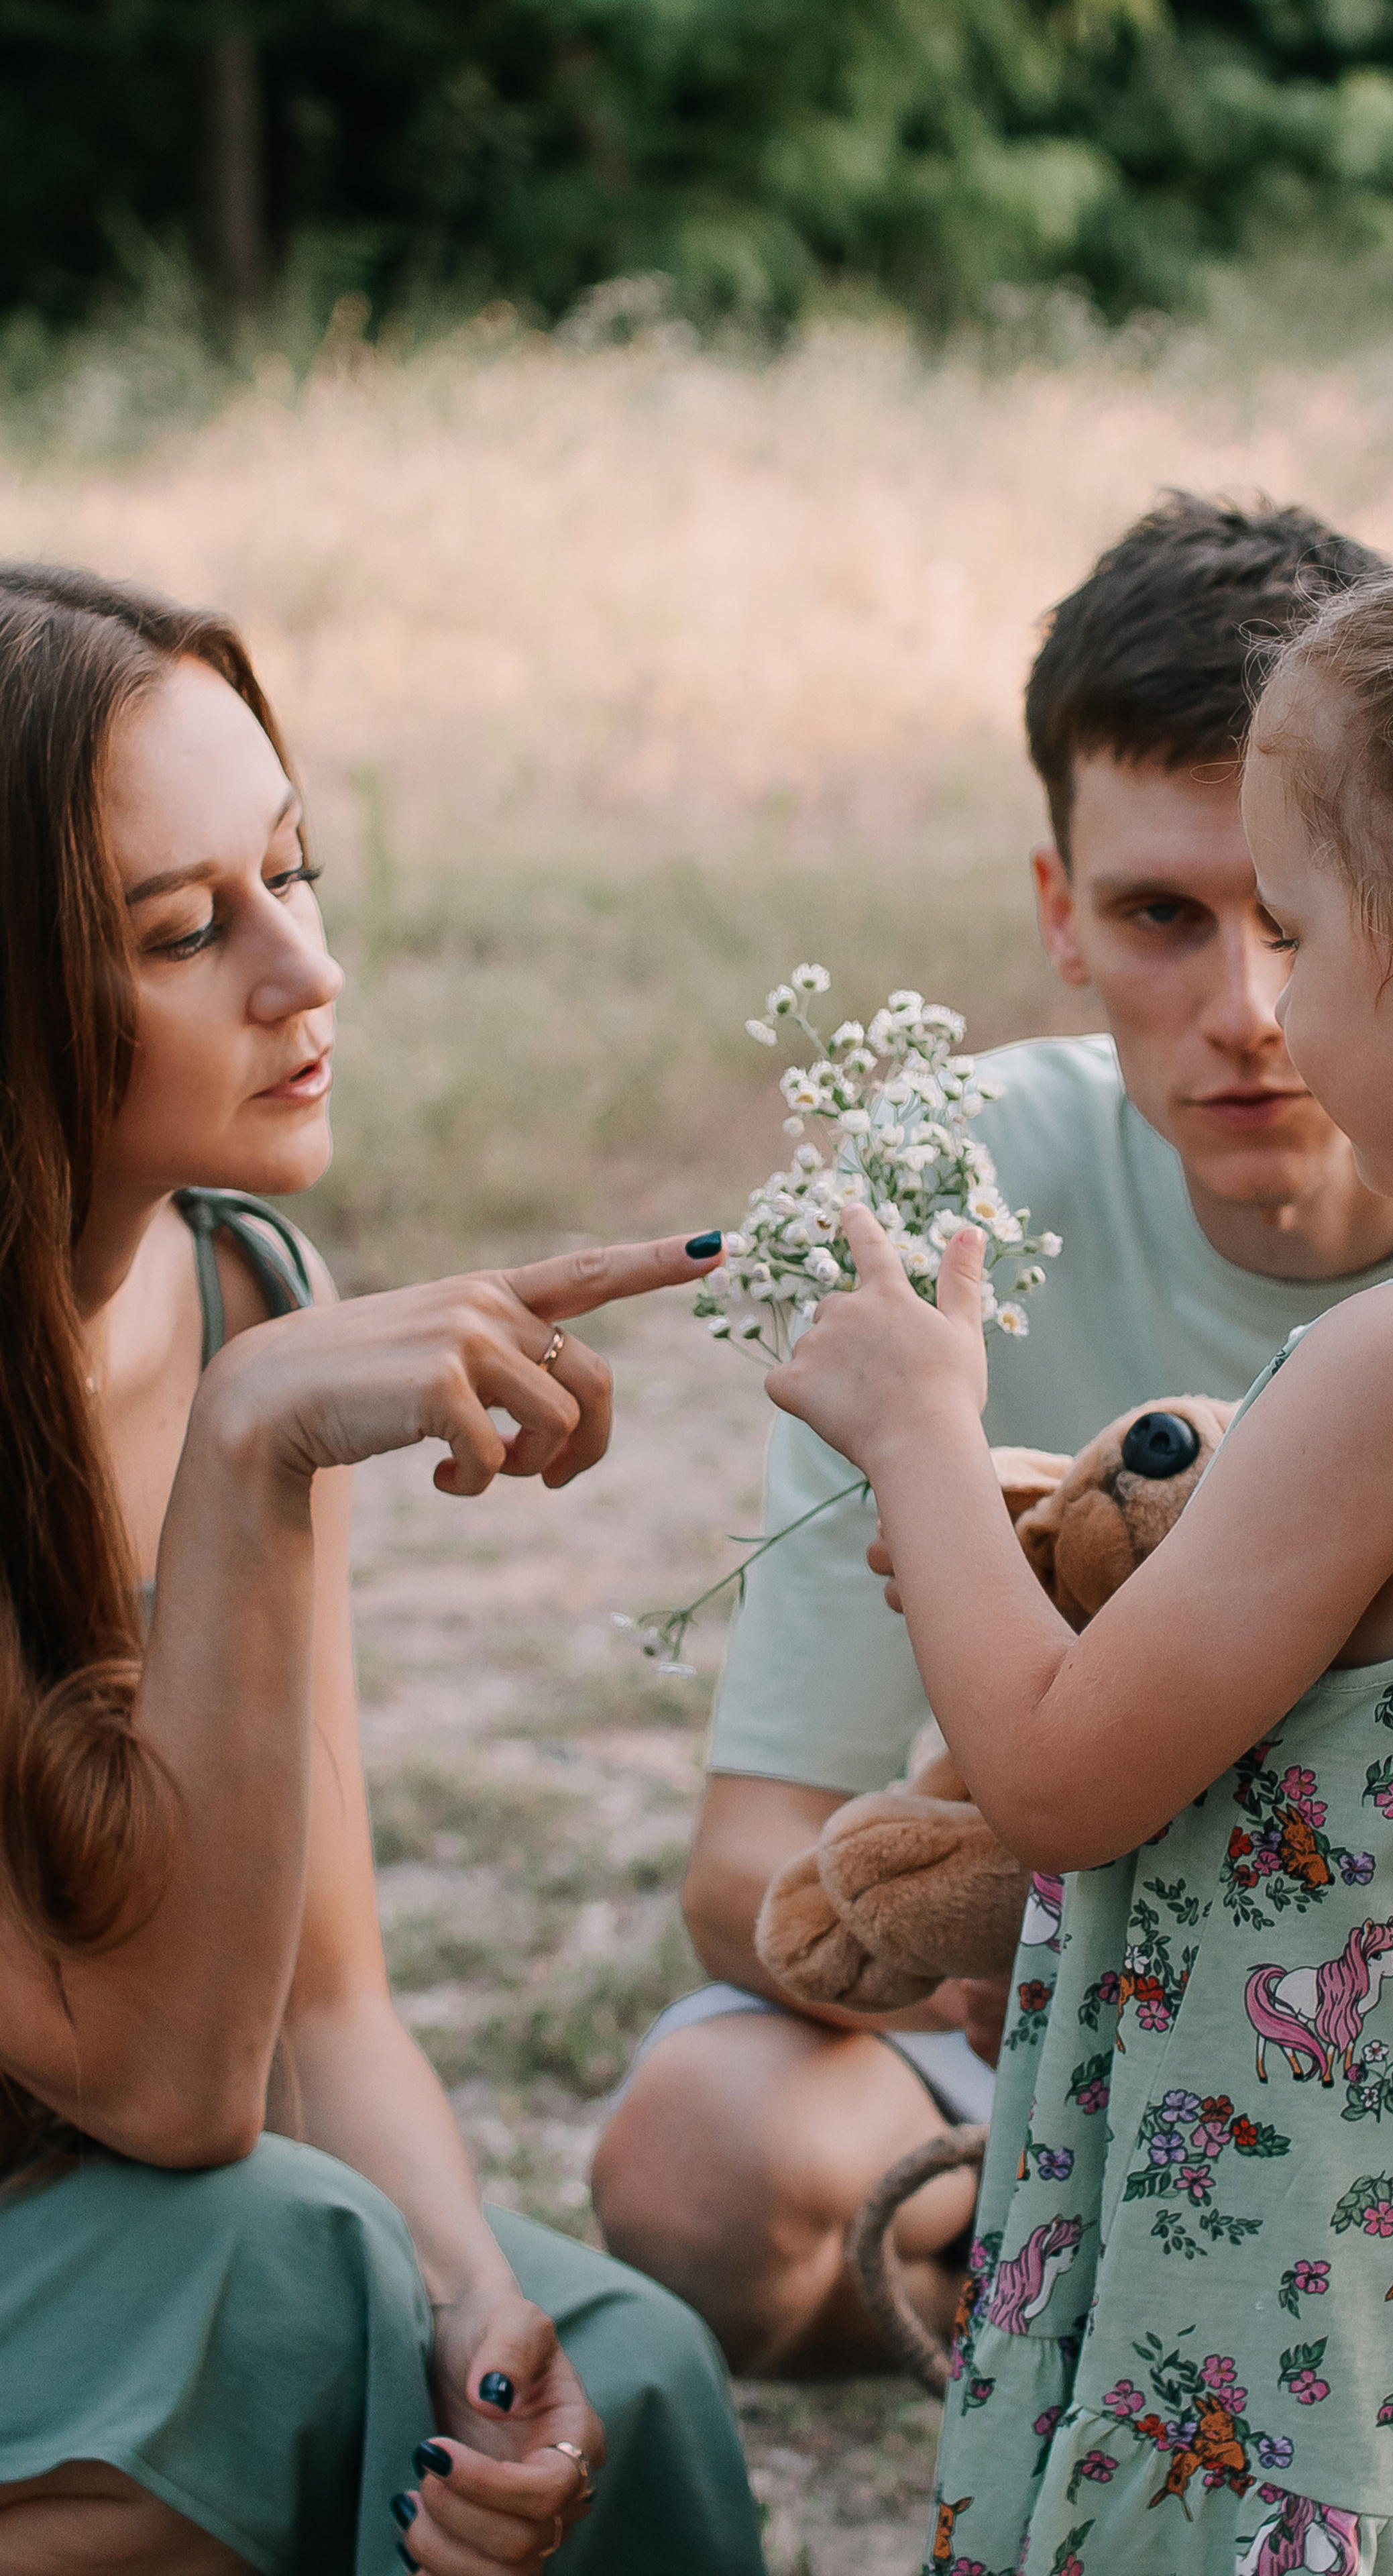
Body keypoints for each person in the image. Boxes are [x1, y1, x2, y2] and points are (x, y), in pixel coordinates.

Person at [591, 496, 1393, 2375]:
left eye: (1287, 924)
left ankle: (1028, 2263)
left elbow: (1050, 1783)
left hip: (1319, 2230)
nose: (1255, 1012)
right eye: (1169, 920)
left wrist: (930, 1446)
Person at [0, 564, 766, 2576]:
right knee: (292, 2265)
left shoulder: (249, 1280)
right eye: (184, 930)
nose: (301, 970)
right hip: (104, 2213)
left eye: (292, 873)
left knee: (627, 2365)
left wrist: (478, 2315)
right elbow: (170, 2085)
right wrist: (252, 1447)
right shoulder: (273, 1376)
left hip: (161, 2215)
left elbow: (324, 2002)